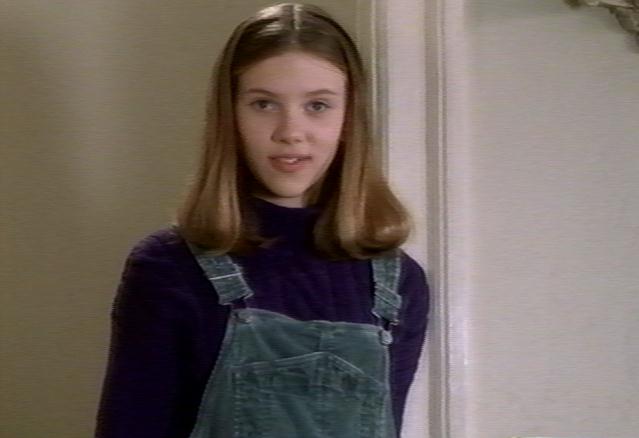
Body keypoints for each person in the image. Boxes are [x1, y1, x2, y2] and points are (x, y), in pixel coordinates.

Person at [95, 3, 429, 438]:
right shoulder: (168, 268)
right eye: (264, 104)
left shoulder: (399, 284)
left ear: (349, 118)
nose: (290, 131)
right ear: (231, 115)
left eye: (317, 105)